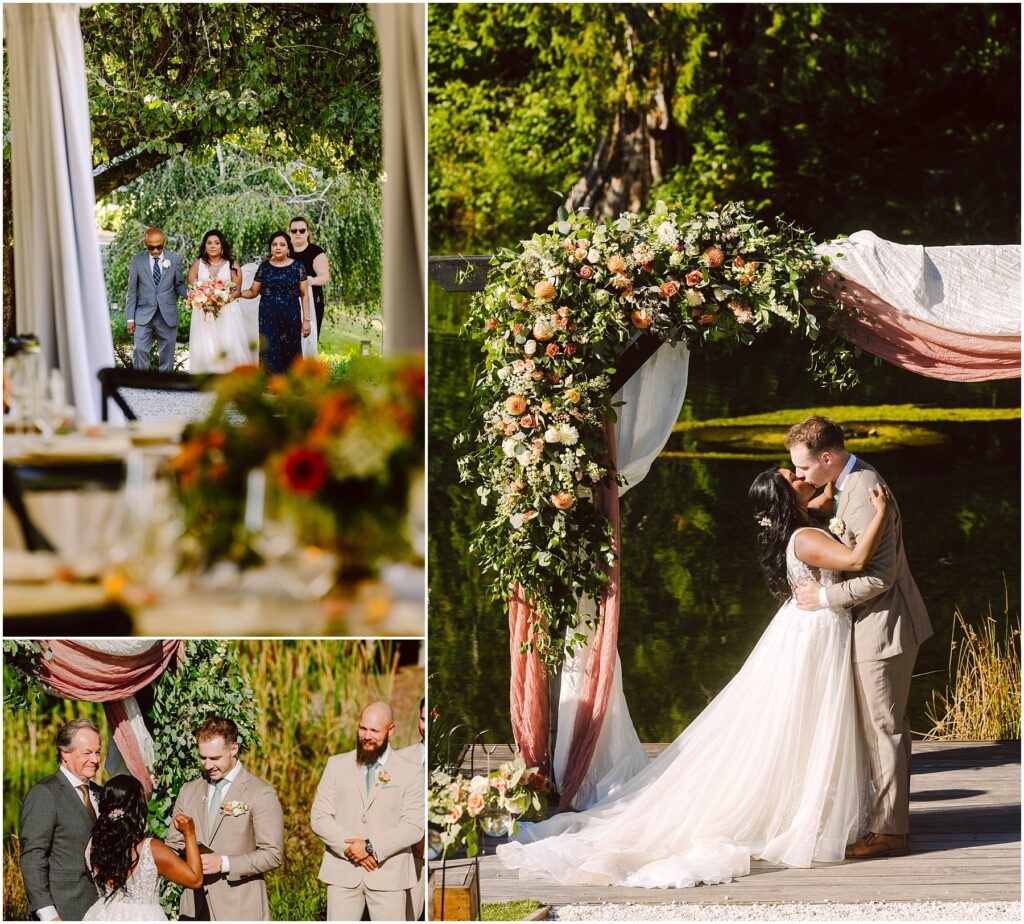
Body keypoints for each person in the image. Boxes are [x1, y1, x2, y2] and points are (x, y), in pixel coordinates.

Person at [497, 466, 893, 888]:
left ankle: (809, 803)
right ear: (786, 497)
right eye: (793, 476)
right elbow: (855, 560)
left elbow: (819, 500)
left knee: (800, 721)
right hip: (815, 632)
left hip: (808, 627)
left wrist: (832, 480)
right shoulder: (806, 538)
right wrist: (882, 513)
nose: (801, 475)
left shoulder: (799, 525)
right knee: (804, 718)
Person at [787, 416, 932, 859]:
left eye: (805, 468)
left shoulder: (864, 489)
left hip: (884, 626)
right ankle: (881, 818)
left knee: (883, 726)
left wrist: (825, 596)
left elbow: (881, 578)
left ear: (827, 458)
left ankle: (890, 831)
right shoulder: (848, 485)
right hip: (868, 625)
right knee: (873, 726)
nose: (801, 476)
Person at [311, 701, 425, 921]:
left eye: (374, 730)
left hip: (389, 875)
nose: (367, 736)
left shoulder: (410, 771)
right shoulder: (336, 765)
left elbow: (413, 826)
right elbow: (319, 817)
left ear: (390, 730)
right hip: (343, 873)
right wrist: (353, 849)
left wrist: (372, 847)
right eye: (363, 728)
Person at [164, 717, 284, 921]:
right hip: (194, 907)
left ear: (234, 749)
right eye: (203, 758)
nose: (208, 765)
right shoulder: (188, 791)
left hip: (240, 907)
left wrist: (224, 863)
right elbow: (173, 844)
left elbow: (273, 854)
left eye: (215, 758)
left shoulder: (260, 792)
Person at [83, 775, 203, 921]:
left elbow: (91, 877)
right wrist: (189, 834)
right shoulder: (150, 849)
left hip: (101, 916)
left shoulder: (92, 846)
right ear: (138, 807)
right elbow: (195, 880)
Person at [20, 719, 103, 921]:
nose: (95, 759)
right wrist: (48, 915)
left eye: (98, 752)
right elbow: (33, 857)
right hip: (63, 910)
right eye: (87, 752)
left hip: (102, 909)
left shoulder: (102, 794)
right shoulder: (45, 793)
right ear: (65, 753)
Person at [238, 231, 312, 374]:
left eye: (282, 245)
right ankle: (270, 383)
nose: (278, 248)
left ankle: (291, 384)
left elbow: (304, 294)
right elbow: (253, 291)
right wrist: (237, 294)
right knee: (269, 348)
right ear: (270, 247)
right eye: (274, 245)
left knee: (291, 348)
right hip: (267, 317)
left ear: (288, 247)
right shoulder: (264, 267)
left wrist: (306, 320)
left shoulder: (298, 266)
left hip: (292, 316)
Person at [186, 230, 252, 373]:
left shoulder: (232, 265)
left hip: (227, 311)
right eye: (209, 243)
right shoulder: (198, 264)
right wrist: (204, 301)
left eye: (216, 243)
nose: (213, 246)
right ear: (205, 246)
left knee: (228, 342)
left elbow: (236, 290)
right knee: (205, 342)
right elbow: (192, 288)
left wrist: (220, 302)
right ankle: (206, 374)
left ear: (222, 246)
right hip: (203, 312)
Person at [125, 227, 188, 372]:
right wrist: (130, 318)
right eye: (151, 247)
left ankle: (165, 383)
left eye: (159, 247)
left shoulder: (174, 260)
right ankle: (141, 383)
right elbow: (132, 291)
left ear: (164, 242)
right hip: (143, 312)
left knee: (167, 351)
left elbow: (178, 285)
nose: (155, 251)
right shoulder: (137, 260)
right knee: (139, 349)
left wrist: (193, 295)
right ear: (145, 244)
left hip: (167, 313)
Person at [398, 699, 426, 921]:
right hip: (409, 853)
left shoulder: (448, 752)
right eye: (422, 719)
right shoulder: (400, 759)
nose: (425, 727)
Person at [287, 216, 330, 342]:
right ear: (289, 232)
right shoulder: (284, 250)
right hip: (286, 303)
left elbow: (324, 276)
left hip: (311, 302)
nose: (298, 233)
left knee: (307, 340)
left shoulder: (316, 252)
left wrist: (312, 280)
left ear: (307, 232)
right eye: (294, 231)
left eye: (302, 230)